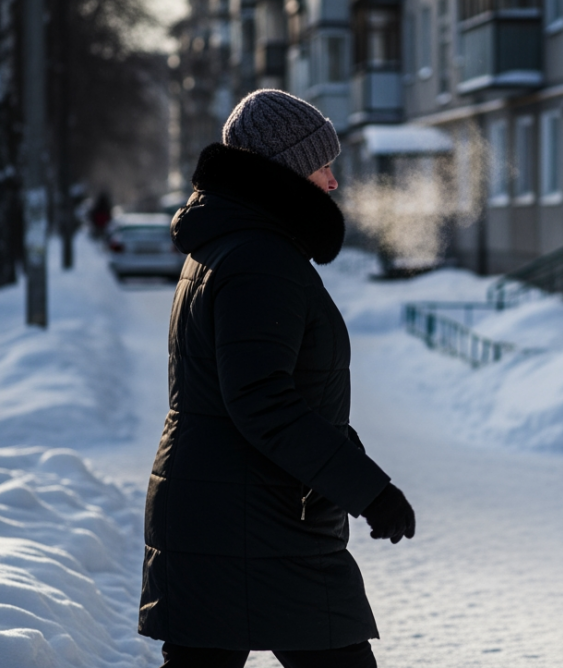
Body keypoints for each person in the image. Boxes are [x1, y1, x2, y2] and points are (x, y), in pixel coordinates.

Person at [139, 89, 416, 668]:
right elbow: (263, 400)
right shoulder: (259, 258)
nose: (333, 182)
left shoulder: (232, 246)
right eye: (322, 165)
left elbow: (271, 394)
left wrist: (344, 464)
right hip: (256, 523)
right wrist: (369, 489)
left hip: (235, 515)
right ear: (285, 172)